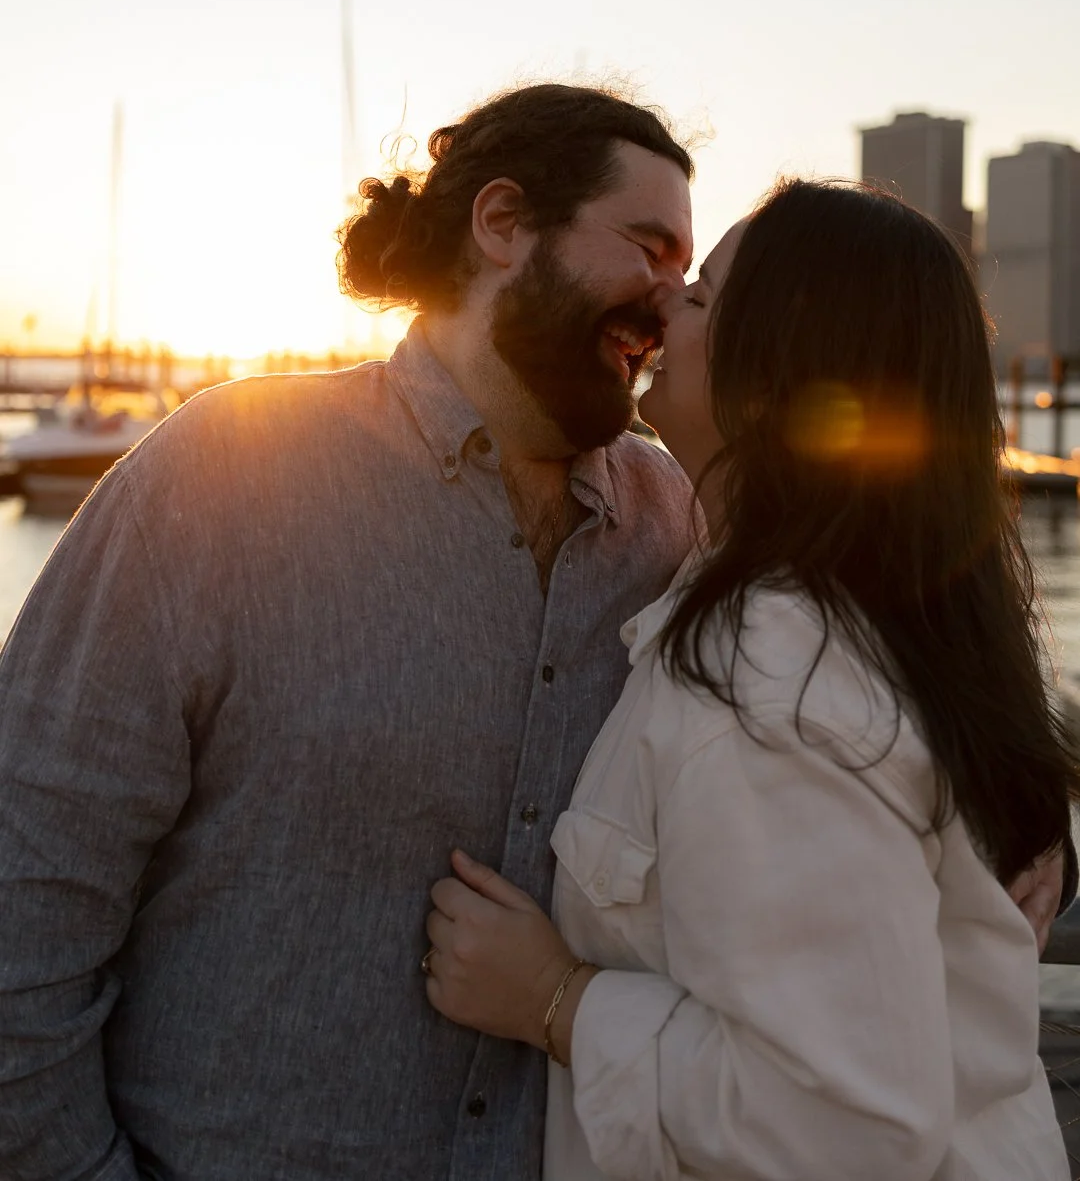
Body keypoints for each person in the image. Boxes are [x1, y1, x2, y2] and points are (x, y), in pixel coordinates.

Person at [0, 84, 698, 1181]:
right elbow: (29, 882)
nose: (674, 297)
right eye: (650, 246)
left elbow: (850, 707)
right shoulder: (222, 473)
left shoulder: (672, 523)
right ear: (504, 223)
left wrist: (1032, 824)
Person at [425, 179, 1078, 1180]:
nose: (663, 303)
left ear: (778, 375)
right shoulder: (870, 615)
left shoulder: (771, 680)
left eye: (703, 296)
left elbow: (846, 1125)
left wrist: (557, 1000)